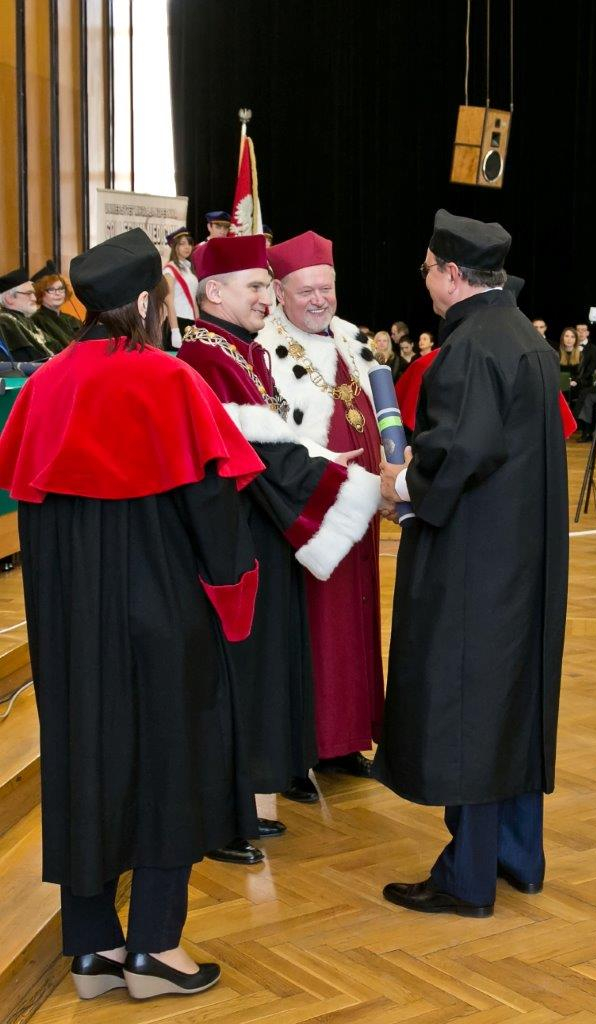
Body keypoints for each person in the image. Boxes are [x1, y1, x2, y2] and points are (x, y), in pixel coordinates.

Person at [0, 228, 265, 999]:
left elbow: (28, 503)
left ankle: (92, 948)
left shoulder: (44, 386)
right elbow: (215, 508)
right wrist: (233, 594)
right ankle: (153, 946)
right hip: (162, 612)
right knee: (168, 764)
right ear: (148, 300)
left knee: (82, 759)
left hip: (69, 623)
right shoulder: (169, 380)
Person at [375, 210, 568, 917]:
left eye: (429, 269)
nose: (425, 280)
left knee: (471, 709)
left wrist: (400, 484)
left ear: (454, 275)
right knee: (514, 700)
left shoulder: (470, 347)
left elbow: (457, 455)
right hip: (523, 560)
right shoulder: (525, 338)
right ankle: (518, 855)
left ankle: (468, 877)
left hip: (474, 565)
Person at [177, 235, 380, 860]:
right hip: (237, 539)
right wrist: (347, 485)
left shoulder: (236, 349)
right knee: (237, 674)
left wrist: (327, 469)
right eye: (258, 287)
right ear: (215, 292)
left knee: (261, 671)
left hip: (265, 534)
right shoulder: (208, 356)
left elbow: (281, 446)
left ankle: (252, 797)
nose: (268, 297)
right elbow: (261, 455)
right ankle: (229, 813)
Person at [258, 231, 384, 778]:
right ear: (279, 293)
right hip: (311, 510)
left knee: (356, 621)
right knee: (314, 627)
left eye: (326, 288)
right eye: (306, 290)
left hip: (363, 508)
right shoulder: (265, 347)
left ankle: (345, 741)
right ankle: (302, 749)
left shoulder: (352, 336)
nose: (319, 300)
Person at [0, 268, 53, 362]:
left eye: (33, 293)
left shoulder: (25, 319)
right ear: (9, 298)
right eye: (29, 293)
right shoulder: (5, 322)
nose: (34, 298)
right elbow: (27, 360)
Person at [31, 268, 82, 352]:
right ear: (40, 293)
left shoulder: (72, 319)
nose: (58, 293)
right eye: (51, 289)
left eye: (61, 288)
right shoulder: (36, 320)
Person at [163, 227, 198, 348]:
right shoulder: (169, 270)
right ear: (174, 246)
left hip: (192, 324)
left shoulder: (189, 269)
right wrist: (175, 331)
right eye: (182, 243)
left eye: (189, 243)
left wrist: (198, 324)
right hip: (177, 321)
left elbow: (194, 301)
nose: (187, 247)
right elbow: (169, 302)